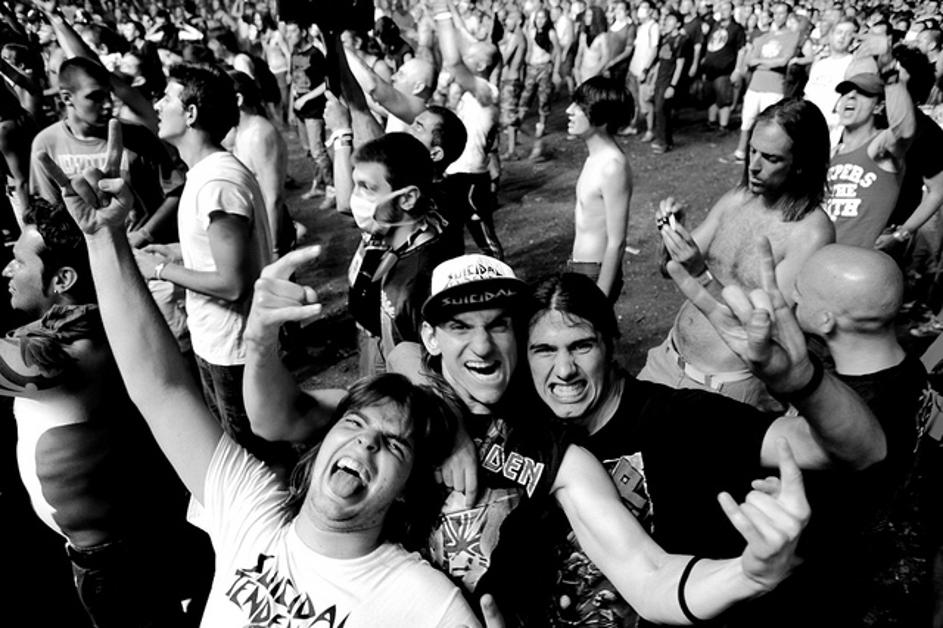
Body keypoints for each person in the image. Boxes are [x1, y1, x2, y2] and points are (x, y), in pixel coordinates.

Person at [243, 249, 811, 626]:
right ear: (432, 338)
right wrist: (260, 340)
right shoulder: (397, 414)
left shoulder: (550, 444)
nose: (482, 347)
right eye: (460, 328)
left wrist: (745, 573)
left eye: (499, 325)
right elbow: (278, 419)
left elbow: (648, 575)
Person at [47, 150, 486, 626]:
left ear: (402, 491)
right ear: (318, 449)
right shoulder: (251, 509)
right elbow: (160, 387)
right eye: (355, 423)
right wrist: (104, 238)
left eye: (394, 445)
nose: (367, 441)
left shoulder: (425, 602)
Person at [525, 243, 923, 626]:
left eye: (581, 346)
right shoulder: (528, 428)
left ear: (611, 345)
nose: (564, 370)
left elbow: (863, 450)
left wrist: (804, 382)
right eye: (544, 350)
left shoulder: (683, 419)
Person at [1, 193, 209, 627]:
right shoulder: (101, 320)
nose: (7, 270)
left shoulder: (74, 351)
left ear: (63, 279)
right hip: (131, 540)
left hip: (116, 565)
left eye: (18, 262)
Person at [639, 98, 834, 412]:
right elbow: (669, 268)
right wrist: (672, 233)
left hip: (721, 388)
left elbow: (767, 325)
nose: (753, 165)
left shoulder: (810, 232)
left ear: (801, 164)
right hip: (665, 361)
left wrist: (701, 272)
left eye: (770, 158)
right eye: (753, 151)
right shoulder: (736, 199)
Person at [132, 64, 282, 467]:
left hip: (232, 349)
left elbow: (232, 283)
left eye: (167, 97)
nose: (157, 105)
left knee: (256, 463)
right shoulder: (206, 175)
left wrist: (158, 271)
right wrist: (175, 253)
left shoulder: (217, 182)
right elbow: (222, 254)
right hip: (219, 342)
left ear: (192, 113)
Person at [343, 133, 460, 379]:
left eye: (367, 188)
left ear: (407, 198)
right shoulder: (387, 233)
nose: (356, 198)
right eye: (356, 185)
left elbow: (427, 369)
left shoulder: (421, 278)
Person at [29, 57, 181, 242]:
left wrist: (144, 234)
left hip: (142, 249)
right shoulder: (46, 144)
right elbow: (48, 212)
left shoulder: (138, 136)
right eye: (96, 97)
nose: (108, 104)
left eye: (109, 95)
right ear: (67, 98)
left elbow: (175, 190)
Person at [825, 38, 915, 249]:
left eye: (862, 93)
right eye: (846, 92)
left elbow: (904, 131)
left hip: (860, 259)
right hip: (823, 255)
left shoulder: (879, 145)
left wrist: (889, 72)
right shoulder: (833, 152)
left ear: (878, 107)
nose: (851, 97)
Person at [433, 0, 505, 260]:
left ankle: (502, 274)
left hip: (472, 176)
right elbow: (463, 38)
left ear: (480, 66)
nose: (465, 57)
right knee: (451, 234)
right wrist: (451, 11)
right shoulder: (474, 91)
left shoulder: (487, 93)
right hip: (456, 173)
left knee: (484, 235)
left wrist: (441, 13)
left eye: (470, 57)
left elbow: (454, 63)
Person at [565, 76, 632, 301]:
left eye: (580, 106)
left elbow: (617, 241)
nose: (569, 110)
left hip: (595, 275)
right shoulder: (594, 158)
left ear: (602, 118)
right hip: (579, 268)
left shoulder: (613, 167)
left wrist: (600, 298)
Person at [225, 70, 294, 257]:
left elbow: (273, 198)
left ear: (238, 99)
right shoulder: (241, 131)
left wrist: (273, 249)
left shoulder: (259, 134)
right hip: (257, 228)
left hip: (270, 233)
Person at [725, 1, 799, 164]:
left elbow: (783, 61)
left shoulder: (792, 36)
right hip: (755, 85)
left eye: (782, 13)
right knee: (747, 120)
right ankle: (740, 152)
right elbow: (750, 61)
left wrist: (760, 62)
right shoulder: (763, 37)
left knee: (771, 123)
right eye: (776, 13)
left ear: (788, 15)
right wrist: (768, 63)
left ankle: (769, 154)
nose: (778, 16)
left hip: (774, 86)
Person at [802, 16, 856, 139]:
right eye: (839, 32)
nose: (842, 37)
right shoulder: (820, 64)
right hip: (809, 127)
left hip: (834, 131)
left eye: (848, 34)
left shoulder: (854, 64)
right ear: (831, 35)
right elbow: (808, 95)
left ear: (853, 39)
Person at [699, 1, 746, 131]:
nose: (723, 11)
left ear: (732, 11)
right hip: (709, 69)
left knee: (723, 99)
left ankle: (723, 125)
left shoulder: (736, 28)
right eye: (721, 9)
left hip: (725, 70)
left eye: (726, 9)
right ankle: (712, 122)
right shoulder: (714, 25)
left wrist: (737, 69)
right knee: (711, 98)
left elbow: (741, 50)